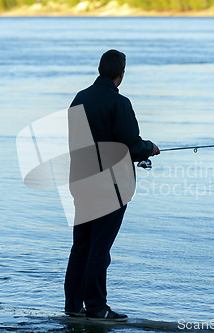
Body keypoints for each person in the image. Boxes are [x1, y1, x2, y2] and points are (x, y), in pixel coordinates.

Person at [64, 50, 160, 321]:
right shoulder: (120, 103)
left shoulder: (79, 99)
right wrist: (148, 148)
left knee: (81, 246)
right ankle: (96, 307)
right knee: (99, 248)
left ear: (99, 69)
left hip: (80, 182)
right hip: (110, 188)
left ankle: (72, 305)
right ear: (121, 73)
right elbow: (131, 144)